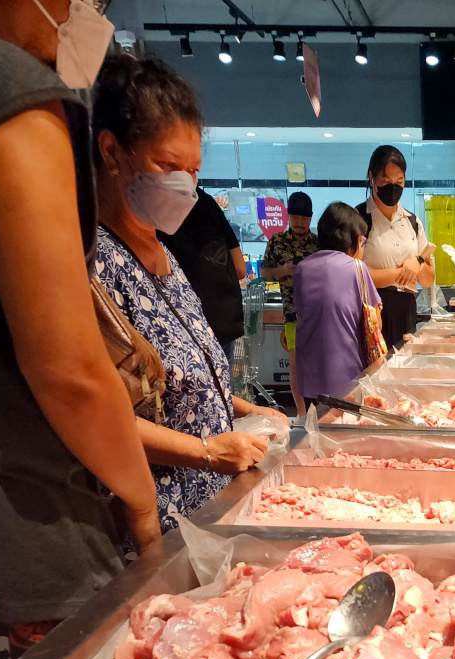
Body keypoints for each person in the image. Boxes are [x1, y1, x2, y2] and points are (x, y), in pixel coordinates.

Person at [0, 0, 160, 659]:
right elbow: (68, 368)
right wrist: (140, 503)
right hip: (16, 541)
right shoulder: (9, 93)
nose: (89, 10)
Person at [92, 54, 287, 534]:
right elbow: (98, 417)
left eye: (194, 170)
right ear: (113, 152)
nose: (185, 184)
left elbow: (185, 382)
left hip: (210, 505)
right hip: (154, 521)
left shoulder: (167, 255)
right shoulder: (95, 263)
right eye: (168, 165)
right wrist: (205, 451)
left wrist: (245, 409)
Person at [293, 202, 382, 405]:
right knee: (346, 434)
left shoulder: (302, 269)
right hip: (348, 377)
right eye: (362, 240)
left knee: (317, 433)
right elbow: (375, 324)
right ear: (351, 238)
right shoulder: (357, 268)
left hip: (309, 379)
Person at [158, 186, 246, 366]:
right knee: (223, 391)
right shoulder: (207, 204)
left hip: (178, 325)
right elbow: (239, 268)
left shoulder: (153, 207)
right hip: (222, 319)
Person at [359, 145, 435, 349]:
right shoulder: (358, 219)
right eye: (386, 182)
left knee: (403, 371)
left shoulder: (413, 222)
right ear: (372, 178)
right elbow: (353, 274)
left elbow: (428, 279)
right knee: (374, 373)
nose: (393, 187)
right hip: (373, 309)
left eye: (399, 182)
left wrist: (417, 265)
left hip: (407, 309)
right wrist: (399, 274)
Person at [260, 191, 317, 420]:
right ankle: (302, 413)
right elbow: (264, 273)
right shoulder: (276, 242)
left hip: (316, 315)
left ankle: (317, 411)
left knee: (316, 364)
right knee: (295, 365)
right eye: (296, 217)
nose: (300, 223)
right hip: (292, 314)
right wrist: (283, 270)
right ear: (288, 216)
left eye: (304, 218)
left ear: (310, 219)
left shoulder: (318, 243)